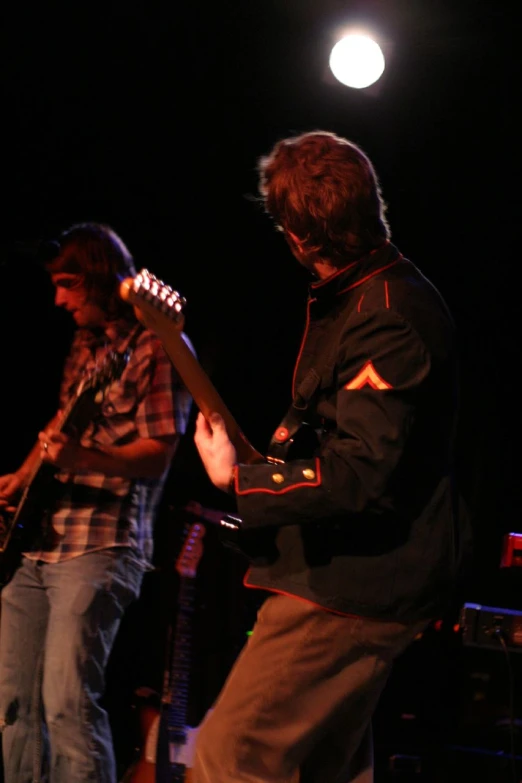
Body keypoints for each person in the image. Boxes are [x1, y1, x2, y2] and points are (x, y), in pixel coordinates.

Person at [192, 130, 471, 783]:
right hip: (363, 577)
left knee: (229, 758)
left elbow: (358, 472)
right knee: (325, 769)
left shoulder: (389, 312)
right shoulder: (371, 296)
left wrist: (241, 479)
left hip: (354, 582)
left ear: (298, 236)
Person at [0, 222, 194, 782]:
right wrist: (22, 474)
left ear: (103, 278)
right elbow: (61, 427)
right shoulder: (87, 344)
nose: (58, 300)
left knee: (67, 705)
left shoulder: (159, 343)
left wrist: (82, 459)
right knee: (14, 707)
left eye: (68, 285)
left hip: (101, 542)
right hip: (38, 542)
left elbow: (158, 454)